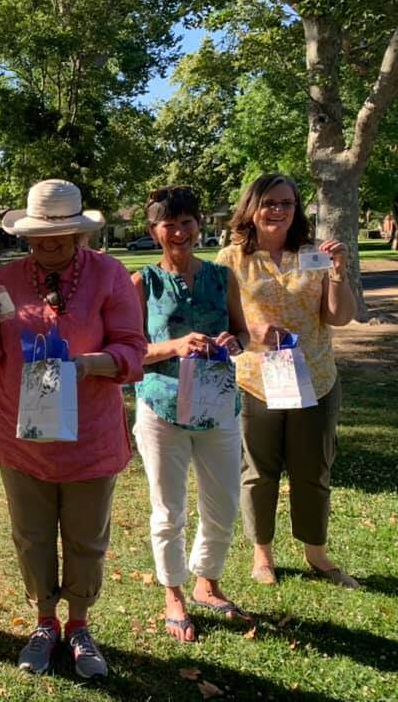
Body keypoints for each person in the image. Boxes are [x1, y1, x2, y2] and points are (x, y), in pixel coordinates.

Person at [0, 179, 146, 679]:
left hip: (90, 436)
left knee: (87, 538)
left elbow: (135, 350)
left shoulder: (109, 275)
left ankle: (80, 625)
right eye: (38, 239)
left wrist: (94, 364)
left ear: (78, 235)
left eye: (59, 238)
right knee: (31, 536)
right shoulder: (4, 281)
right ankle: (45, 622)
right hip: (21, 438)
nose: (48, 246)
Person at [217, 174, 357, 589]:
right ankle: (263, 554)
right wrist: (248, 334)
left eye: (288, 203)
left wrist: (338, 273)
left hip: (315, 378)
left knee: (313, 469)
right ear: (252, 208)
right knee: (258, 472)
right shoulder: (230, 259)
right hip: (255, 381)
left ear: (297, 210)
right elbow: (220, 319)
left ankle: (316, 553)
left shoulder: (312, 256)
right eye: (270, 203)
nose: (278, 210)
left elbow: (339, 317)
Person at [131, 186, 251, 643]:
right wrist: (174, 346)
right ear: (153, 230)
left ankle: (208, 581)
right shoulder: (143, 283)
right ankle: (174, 592)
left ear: (200, 225)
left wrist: (234, 342)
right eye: (168, 224)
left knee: (222, 504)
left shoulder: (223, 278)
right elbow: (127, 350)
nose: (179, 232)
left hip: (218, 405)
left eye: (187, 222)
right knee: (168, 509)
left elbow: (241, 332)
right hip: (161, 408)